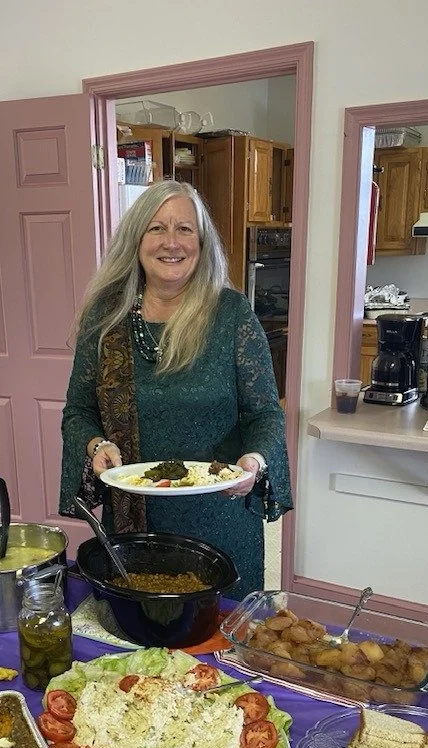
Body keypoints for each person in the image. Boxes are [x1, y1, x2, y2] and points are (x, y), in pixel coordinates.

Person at [59, 179, 292, 598]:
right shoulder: (107, 316)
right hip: (135, 523)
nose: (172, 242)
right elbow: (78, 411)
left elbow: (265, 413)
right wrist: (96, 446)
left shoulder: (231, 314)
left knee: (217, 647)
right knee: (143, 643)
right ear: (136, 239)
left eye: (185, 229)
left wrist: (255, 460)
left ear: (201, 242)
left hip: (220, 519)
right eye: (157, 228)